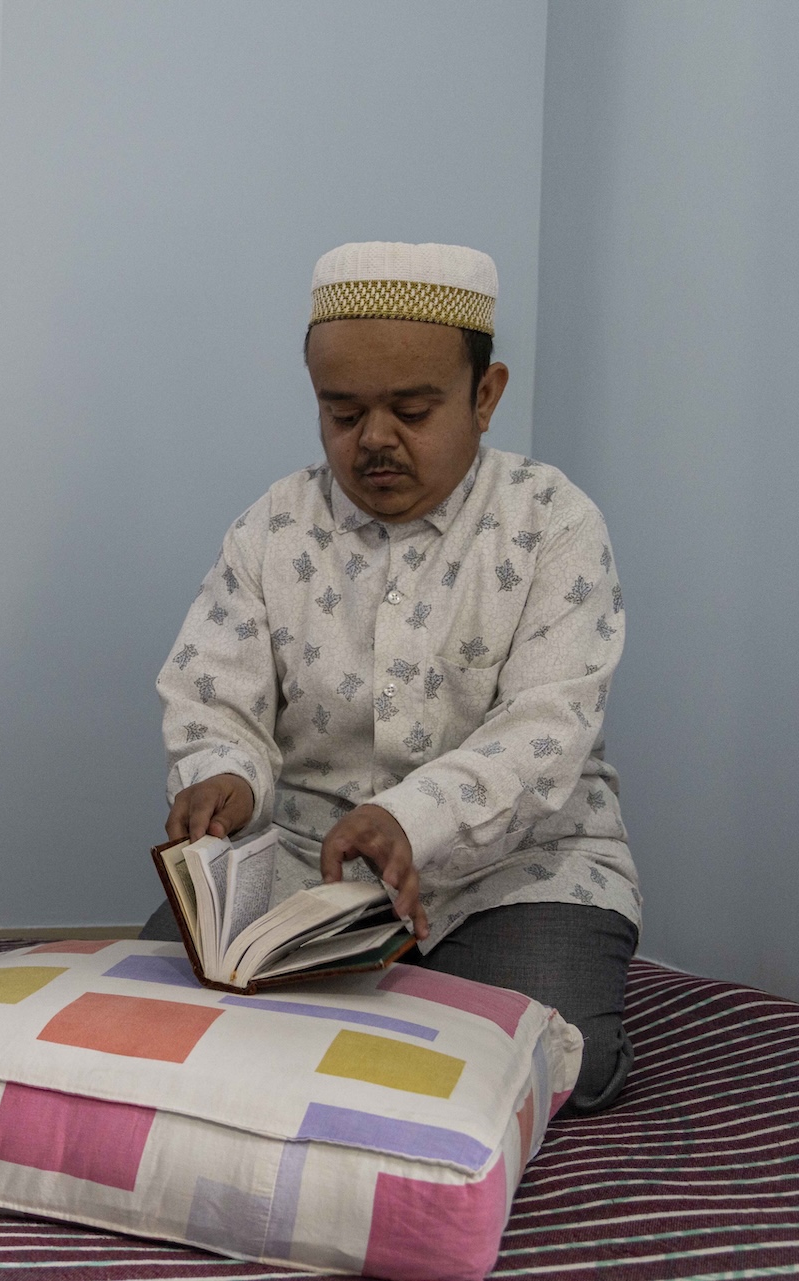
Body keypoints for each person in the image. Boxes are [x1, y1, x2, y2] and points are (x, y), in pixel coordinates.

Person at [144, 242, 641, 1113]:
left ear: (486, 396)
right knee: (166, 1004)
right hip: (313, 863)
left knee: (562, 1054)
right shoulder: (272, 529)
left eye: (412, 410)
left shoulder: (554, 523)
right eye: (343, 413)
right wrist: (224, 777)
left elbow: (546, 729)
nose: (374, 439)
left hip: (518, 868)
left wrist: (411, 818)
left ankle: (381, 1006)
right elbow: (214, 695)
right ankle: (383, 1005)